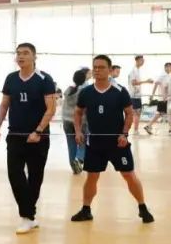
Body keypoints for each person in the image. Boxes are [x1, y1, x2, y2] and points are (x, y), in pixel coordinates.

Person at [70, 56, 154, 224]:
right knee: (92, 177)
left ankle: (143, 207)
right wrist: (78, 131)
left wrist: (124, 134)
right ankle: (86, 210)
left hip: (117, 143)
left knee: (129, 175)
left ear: (109, 70)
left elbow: (129, 114)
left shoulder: (120, 91)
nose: (97, 70)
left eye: (101, 67)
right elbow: (78, 112)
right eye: (95, 67)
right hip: (95, 144)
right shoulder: (86, 92)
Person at [0, 43, 56, 234]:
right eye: (18, 53)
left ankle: (28, 217)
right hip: (15, 135)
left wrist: (38, 131)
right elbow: (4, 105)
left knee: (35, 177)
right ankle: (27, 215)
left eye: (25, 53)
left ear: (34, 57)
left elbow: (51, 108)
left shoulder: (44, 79)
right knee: (15, 175)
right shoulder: (11, 78)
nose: (21, 56)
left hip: (38, 137)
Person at [61, 68, 90, 174]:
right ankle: (79, 158)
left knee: (71, 143)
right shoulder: (85, 91)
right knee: (83, 141)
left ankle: (74, 165)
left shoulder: (68, 90)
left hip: (66, 120)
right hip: (80, 121)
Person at [144, 62, 171, 135]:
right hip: (163, 98)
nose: (170, 68)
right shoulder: (162, 75)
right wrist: (152, 95)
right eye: (169, 67)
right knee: (163, 113)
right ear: (166, 67)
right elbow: (156, 84)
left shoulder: (168, 76)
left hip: (166, 98)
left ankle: (149, 126)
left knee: (163, 113)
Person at [127, 55, 152, 133]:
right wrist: (146, 81)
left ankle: (136, 129)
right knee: (135, 113)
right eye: (141, 60)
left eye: (143, 60)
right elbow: (133, 83)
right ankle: (134, 130)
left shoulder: (137, 70)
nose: (143, 62)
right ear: (137, 61)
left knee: (137, 113)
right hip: (133, 95)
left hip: (137, 95)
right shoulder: (133, 71)